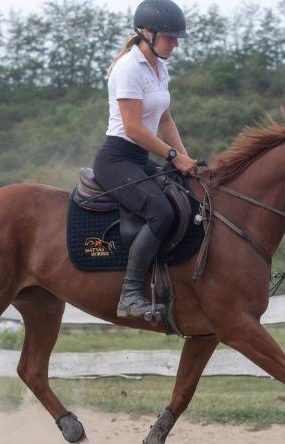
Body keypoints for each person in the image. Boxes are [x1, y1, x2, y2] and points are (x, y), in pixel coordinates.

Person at [93, 0, 198, 320]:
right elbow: (135, 128)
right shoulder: (129, 68)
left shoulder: (159, 66)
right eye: (170, 37)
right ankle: (130, 294)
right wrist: (170, 155)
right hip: (117, 159)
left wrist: (185, 157)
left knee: (187, 195)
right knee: (161, 212)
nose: (176, 43)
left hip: (139, 158)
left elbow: (165, 120)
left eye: (177, 38)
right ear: (147, 34)